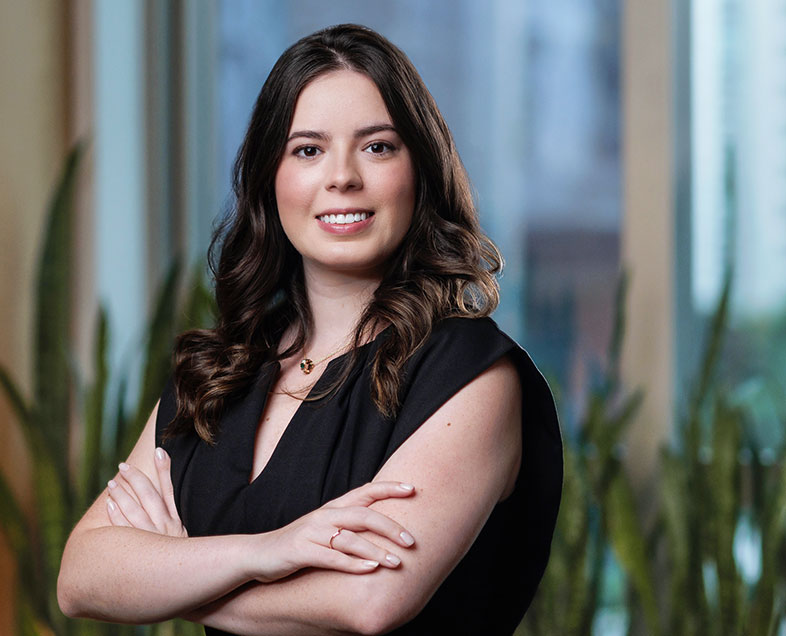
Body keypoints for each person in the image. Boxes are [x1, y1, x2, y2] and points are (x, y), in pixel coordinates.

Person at [58, 23, 562, 635]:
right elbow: (82, 576)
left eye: (377, 147)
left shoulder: (471, 374)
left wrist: (172, 581)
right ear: (271, 180)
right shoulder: (226, 370)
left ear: (420, 170)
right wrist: (266, 551)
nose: (342, 176)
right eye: (307, 149)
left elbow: (368, 602)